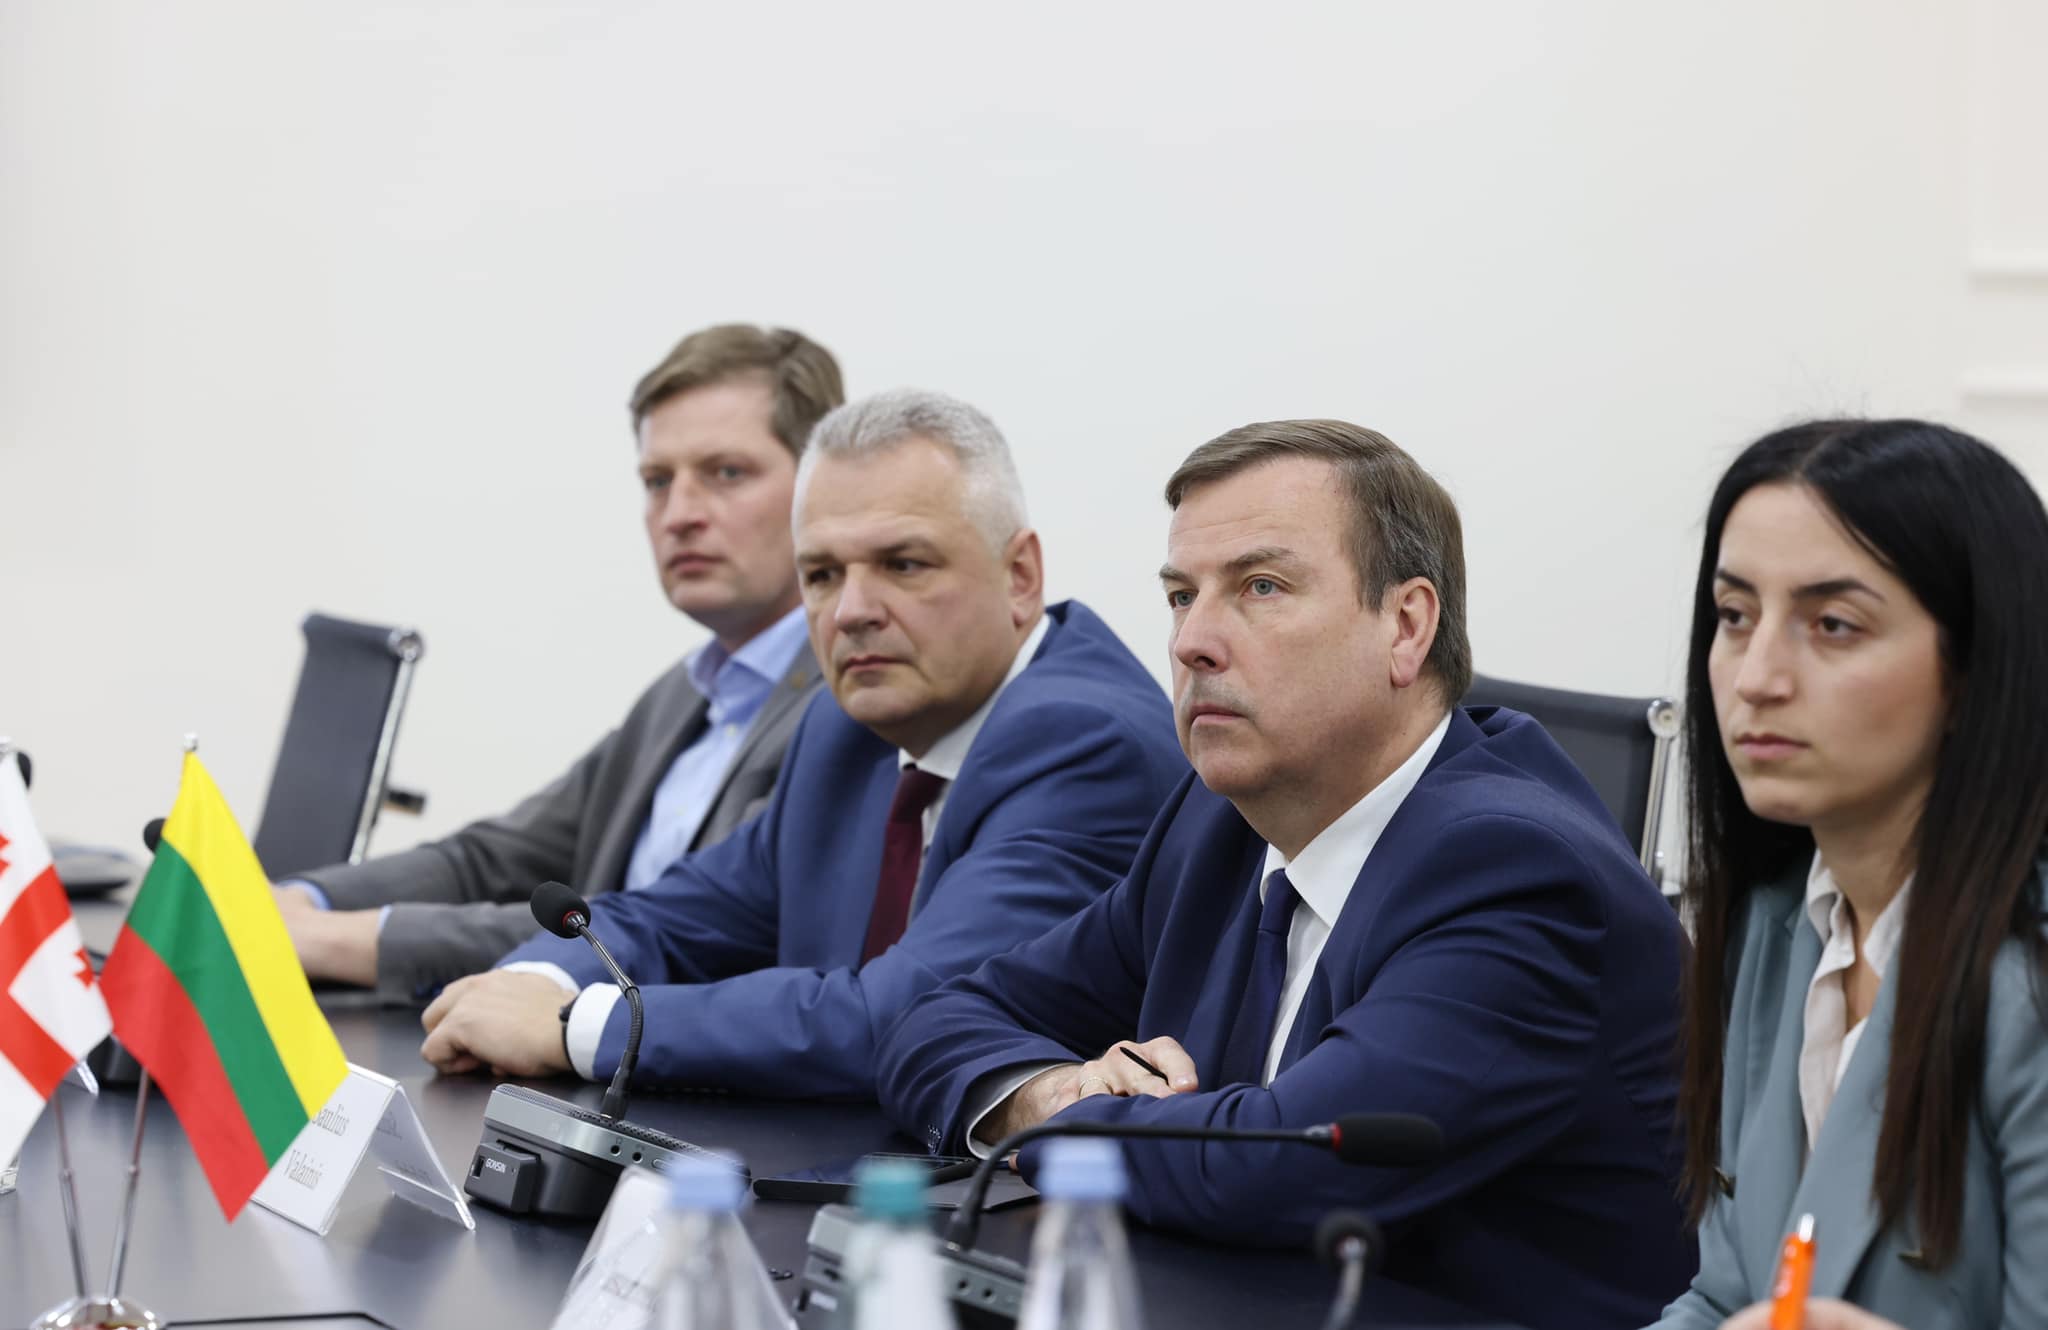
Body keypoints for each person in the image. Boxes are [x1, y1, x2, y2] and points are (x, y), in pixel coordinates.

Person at [875, 419, 1695, 1330]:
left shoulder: (1516, 871)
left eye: (1261, 587)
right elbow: (937, 1020)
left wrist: (1064, 1128)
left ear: (1407, 627)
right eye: (1181, 596)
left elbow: (1280, 1167)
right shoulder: (1216, 824)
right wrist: (1055, 1090)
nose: (1192, 642)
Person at [417, 388, 1188, 1096]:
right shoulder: (843, 726)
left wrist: (575, 1027)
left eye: (903, 564)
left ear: (1020, 575)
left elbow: (912, 1017)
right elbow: (675, 917)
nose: (851, 611)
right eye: (821, 575)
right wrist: (537, 980)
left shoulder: (1087, 742)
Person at [274, 324, 841, 1003]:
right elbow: (490, 860)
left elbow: (673, 930)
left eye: (727, 473)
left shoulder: (845, 706)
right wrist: (299, 899)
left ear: (822, 490)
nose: (679, 514)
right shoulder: (683, 694)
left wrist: (338, 940)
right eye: (657, 481)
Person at [1650, 419, 2048, 1330]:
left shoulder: (2028, 979)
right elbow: (1726, 1296)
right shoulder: (1773, 924)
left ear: (1974, 668)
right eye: (1735, 616)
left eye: (1832, 625)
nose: (1757, 678)